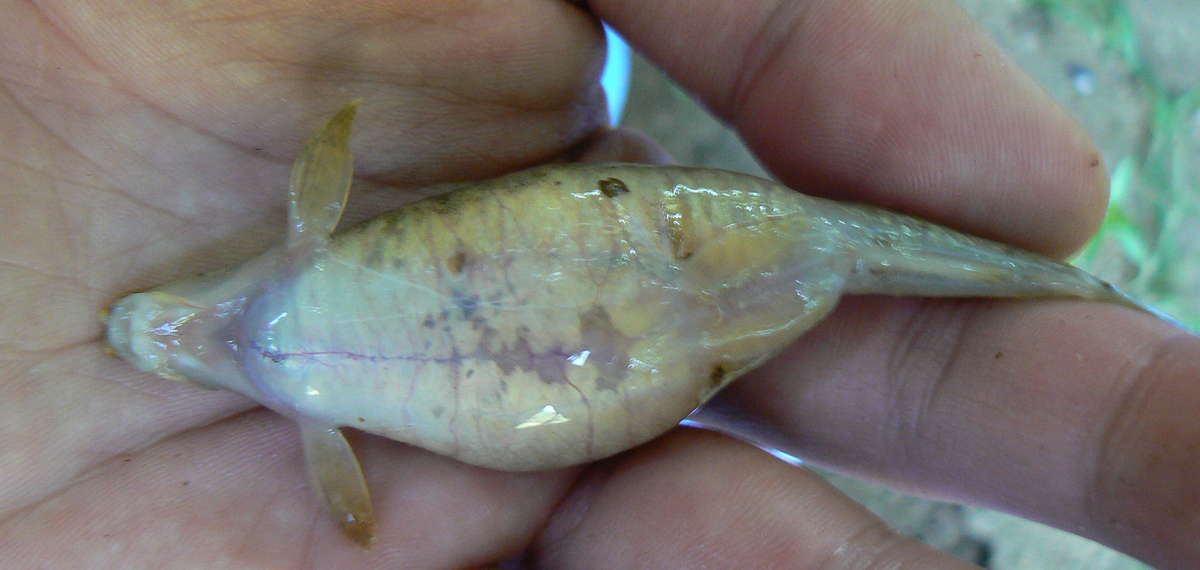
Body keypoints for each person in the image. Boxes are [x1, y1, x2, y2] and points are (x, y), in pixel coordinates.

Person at [1, 1, 1195, 567]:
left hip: (612, 264)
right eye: (163, 344)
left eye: (158, 327)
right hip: (595, 350)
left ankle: (1059, 283)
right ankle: (1066, 286)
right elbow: (326, 169)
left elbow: (328, 169)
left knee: (808, 247)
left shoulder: (309, 359)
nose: (168, 333)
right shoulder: (313, 381)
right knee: (811, 257)